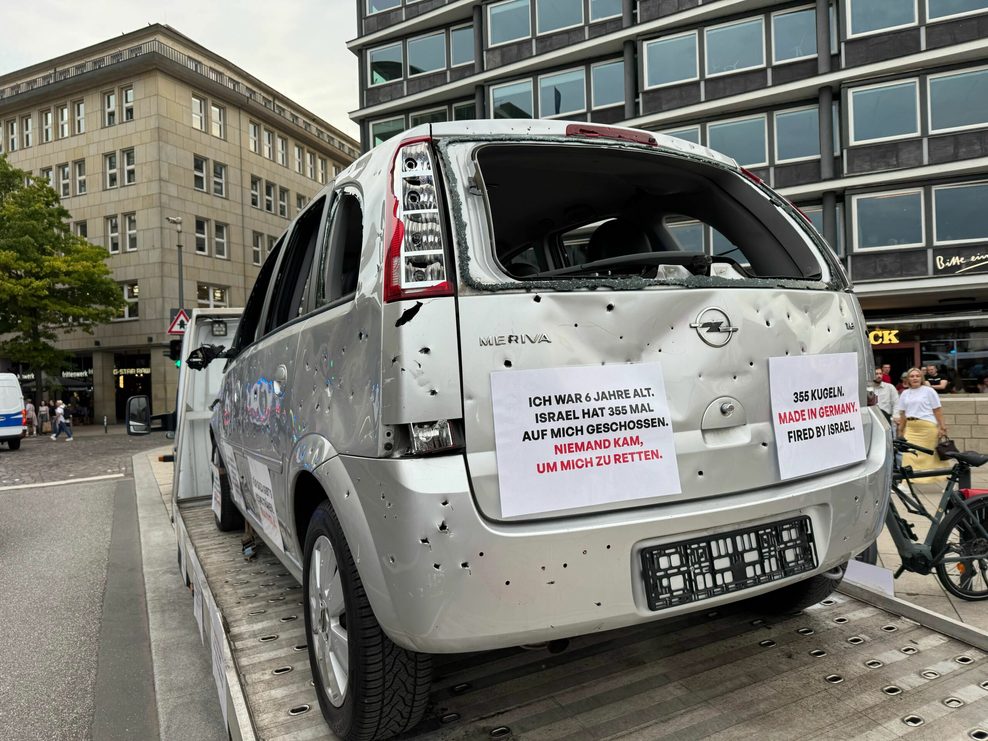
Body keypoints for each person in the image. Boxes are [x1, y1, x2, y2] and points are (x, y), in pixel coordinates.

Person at [895, 367, 948, 480]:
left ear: (922, 378)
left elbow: (937, 410)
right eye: (912, 376)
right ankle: (907, 482)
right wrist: (900, 430)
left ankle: (946, 479)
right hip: (911, 427)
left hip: (927, 426)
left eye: (917, 376)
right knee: (908, 454)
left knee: (932, 456)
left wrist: (942, 427)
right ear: (908, 379)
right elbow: (903, 414)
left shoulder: (929, 391)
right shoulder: (905, 393)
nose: (915, 378)